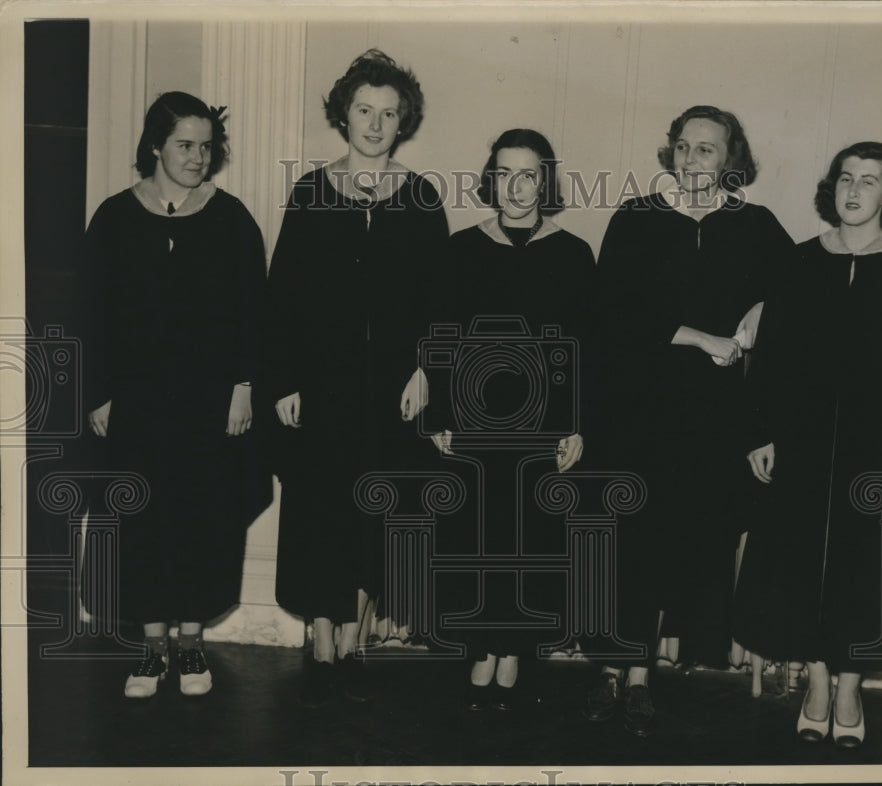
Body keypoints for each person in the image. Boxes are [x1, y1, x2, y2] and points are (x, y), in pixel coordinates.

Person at [742, 141, 882, 747]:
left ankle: (848, 688)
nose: (854, 190)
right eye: (846, 177)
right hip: (801, 440)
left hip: (878, 448)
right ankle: (817, 682)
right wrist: (761, 432)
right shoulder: (799, 261)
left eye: (869, 182)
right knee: (799, 566)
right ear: (832, 186)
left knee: (862, 570)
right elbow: (771, 359)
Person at [583, 105, 795, 736]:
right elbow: (612, 316)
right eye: (684, 147)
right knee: (626, 544)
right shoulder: (637, 219)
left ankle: (642, 677)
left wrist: (760, 312)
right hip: (637, 411)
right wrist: (703, 338)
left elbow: (800, 289)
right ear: (671, 153)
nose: (694, 159)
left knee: (679, 545)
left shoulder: (755, 225)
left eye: (709, 149)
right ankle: (610, 671)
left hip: (712, 422)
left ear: (731, 159)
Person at [264, 49, 449, 708]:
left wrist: (428, 369)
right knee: (320, 510)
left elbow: (441, 301)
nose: (375, 123)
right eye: (364, 110)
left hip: (393, 394)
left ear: (404, 122)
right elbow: (281, 296)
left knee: (379, 507)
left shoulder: (422, 199)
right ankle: (321, 633)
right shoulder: (312, 193)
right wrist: (284, 381)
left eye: (389, 113)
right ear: (344, 115)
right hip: (323, 387)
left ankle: (357, 634)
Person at [82, 91, 271, 698]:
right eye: (185, 145)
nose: (196, 157)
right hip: (137, 403)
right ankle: (152, 646)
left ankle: (191, 646)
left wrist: (243, 388)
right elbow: (93, 314)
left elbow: (254, 315)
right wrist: (99, 393)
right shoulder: (113, 217)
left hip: (209, 404)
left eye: (206, 147)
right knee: (141, 522)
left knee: (203, 520)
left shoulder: (232, 218)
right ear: (156, 146)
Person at [427, 129, 594, 711]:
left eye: (529, 174)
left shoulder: (574, 253)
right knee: (478, 538)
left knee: (532, 540)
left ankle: (516, 647)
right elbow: (443, 337)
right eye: (506, 174)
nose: (517, 187)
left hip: (543, 422)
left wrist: (574, 424)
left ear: (544, 180)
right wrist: (441, 416)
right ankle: (481, 645)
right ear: (490, 178)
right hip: (475, 419)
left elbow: (581, 345)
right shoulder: (460, 248)